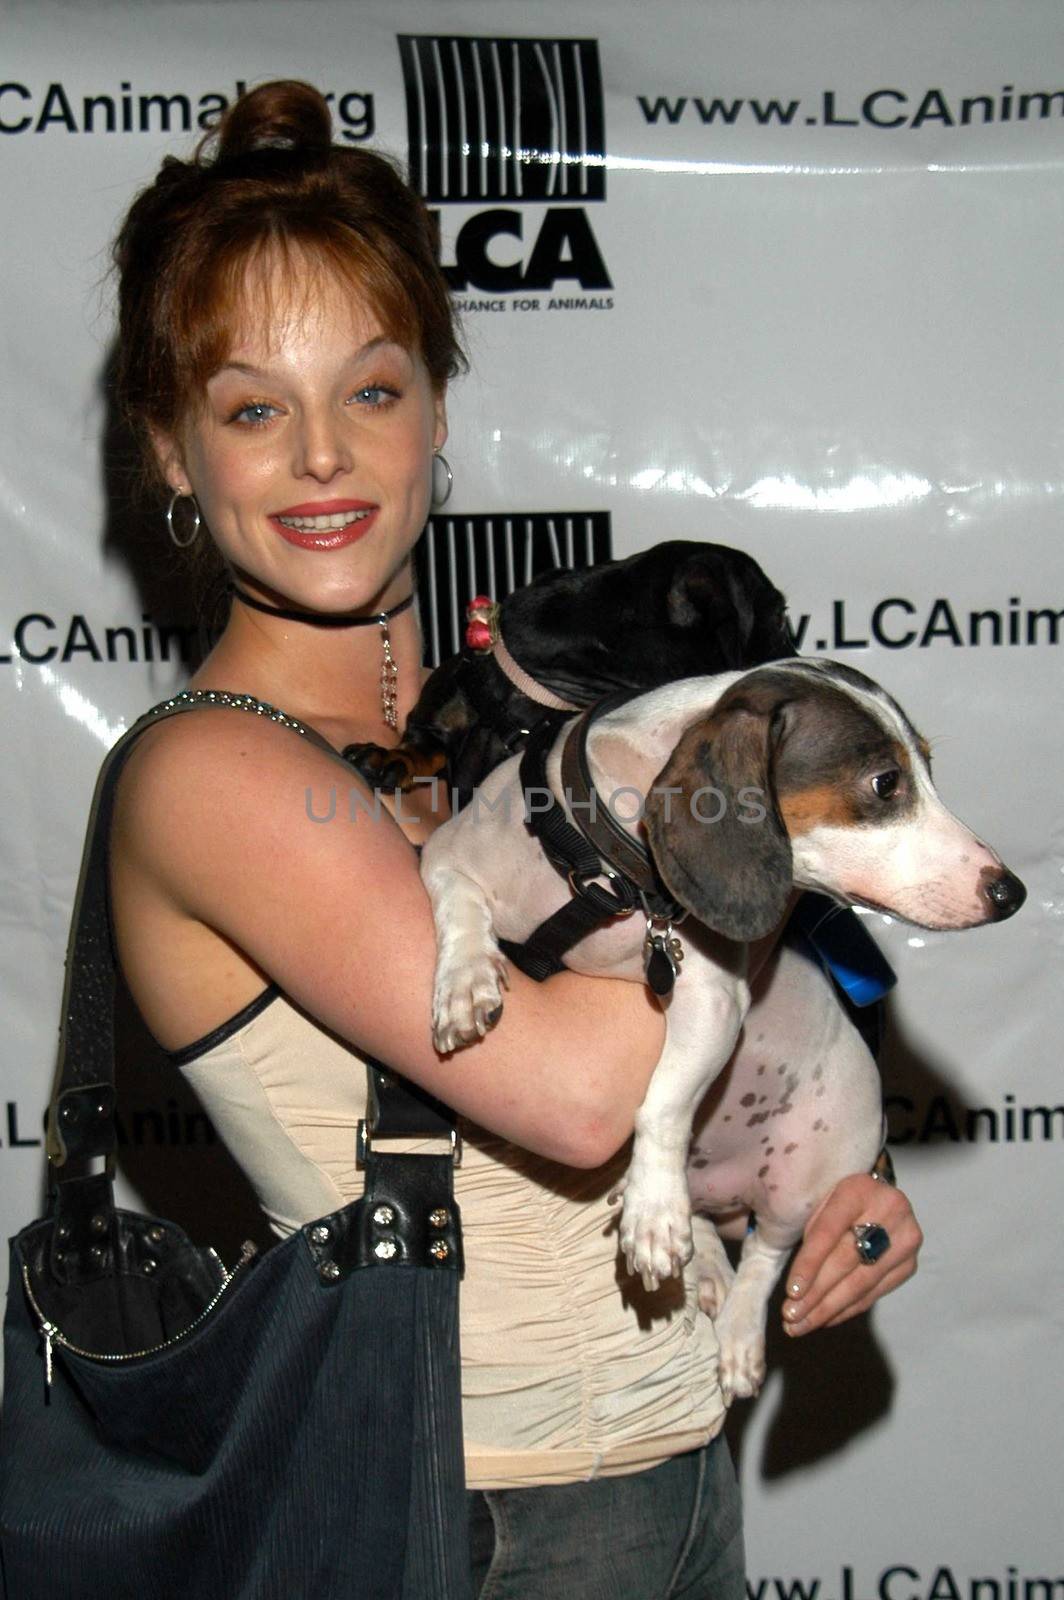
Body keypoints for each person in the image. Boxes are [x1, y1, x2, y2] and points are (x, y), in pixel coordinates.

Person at [105, 79, 922, 1597]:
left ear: (433, 404)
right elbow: (568, 1094)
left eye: (370, 389)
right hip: (474, 1528)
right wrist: (728, 808)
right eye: (248, 409)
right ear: (171, 453)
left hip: (682, 1481)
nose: (322, 458)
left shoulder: (497, 752)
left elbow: (698, 1060)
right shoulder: (214, 776)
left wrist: (816, 1181)